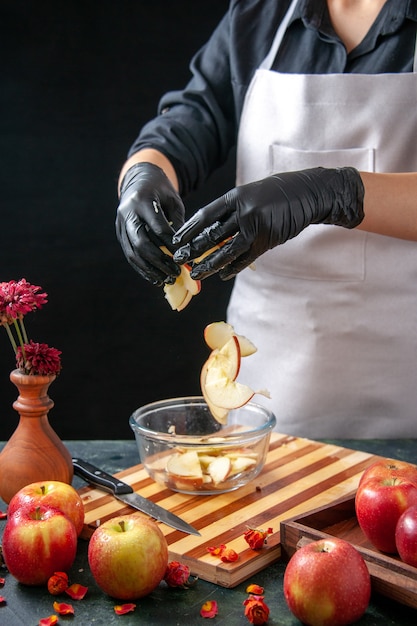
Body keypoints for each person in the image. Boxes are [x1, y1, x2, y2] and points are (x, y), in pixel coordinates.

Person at [115, 0, 417, 438]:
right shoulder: (260, 15)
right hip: (269, 384)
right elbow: (192, 118)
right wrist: (143, 174)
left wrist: (333, 193)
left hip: (406, 379)